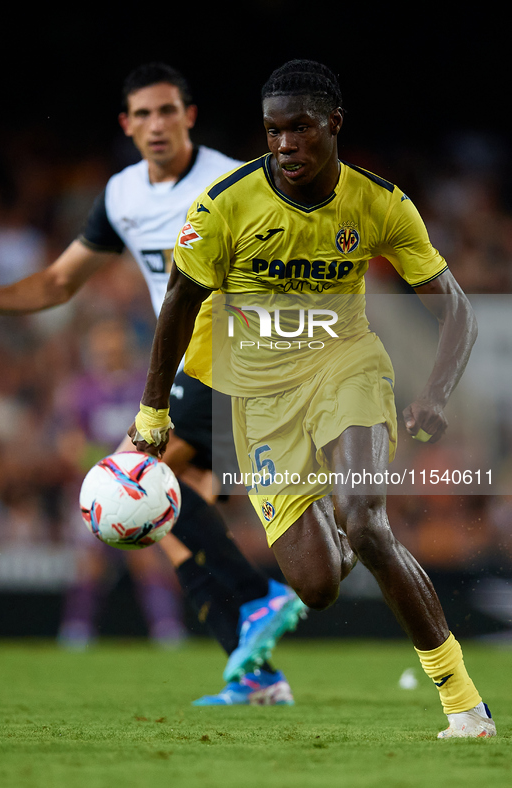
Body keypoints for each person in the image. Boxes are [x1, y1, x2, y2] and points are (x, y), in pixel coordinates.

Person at [128, 59, 496, 738]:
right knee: (317, 586)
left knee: (364, 522)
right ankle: (330, 504)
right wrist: (152, 411)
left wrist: (437, 393)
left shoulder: (378, 203)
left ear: (334, 124)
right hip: (260, 402)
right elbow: (179, 300)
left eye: (300, 128)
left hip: (344, 368)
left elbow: (457, 308)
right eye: (273, 130)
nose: (285, 144)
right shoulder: (224, 203)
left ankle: (463, 704)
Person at [0, 62, 309, 706]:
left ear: (189, 116)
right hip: (191, 371)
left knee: (134, 482)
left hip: (245, 361)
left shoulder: (232, 181)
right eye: (142, 114)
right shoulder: (122, 197)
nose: (156, 124)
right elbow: (59, 282)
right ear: (126, 125)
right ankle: (255, 673)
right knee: (157, 515)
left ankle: (258, 598)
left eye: (168, 110)